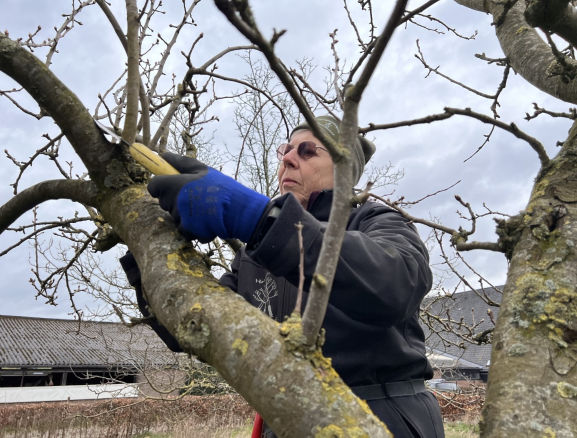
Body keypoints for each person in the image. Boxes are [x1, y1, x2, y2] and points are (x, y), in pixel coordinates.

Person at [120, 115, 445, 438]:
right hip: (286, 423)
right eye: (286, 150)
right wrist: (149, 256)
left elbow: (397, 282)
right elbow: (192, 327)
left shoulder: (376, 221)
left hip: (384, 420)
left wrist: (258, 219)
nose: (287, 159)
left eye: (307, 152)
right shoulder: (253, 254)